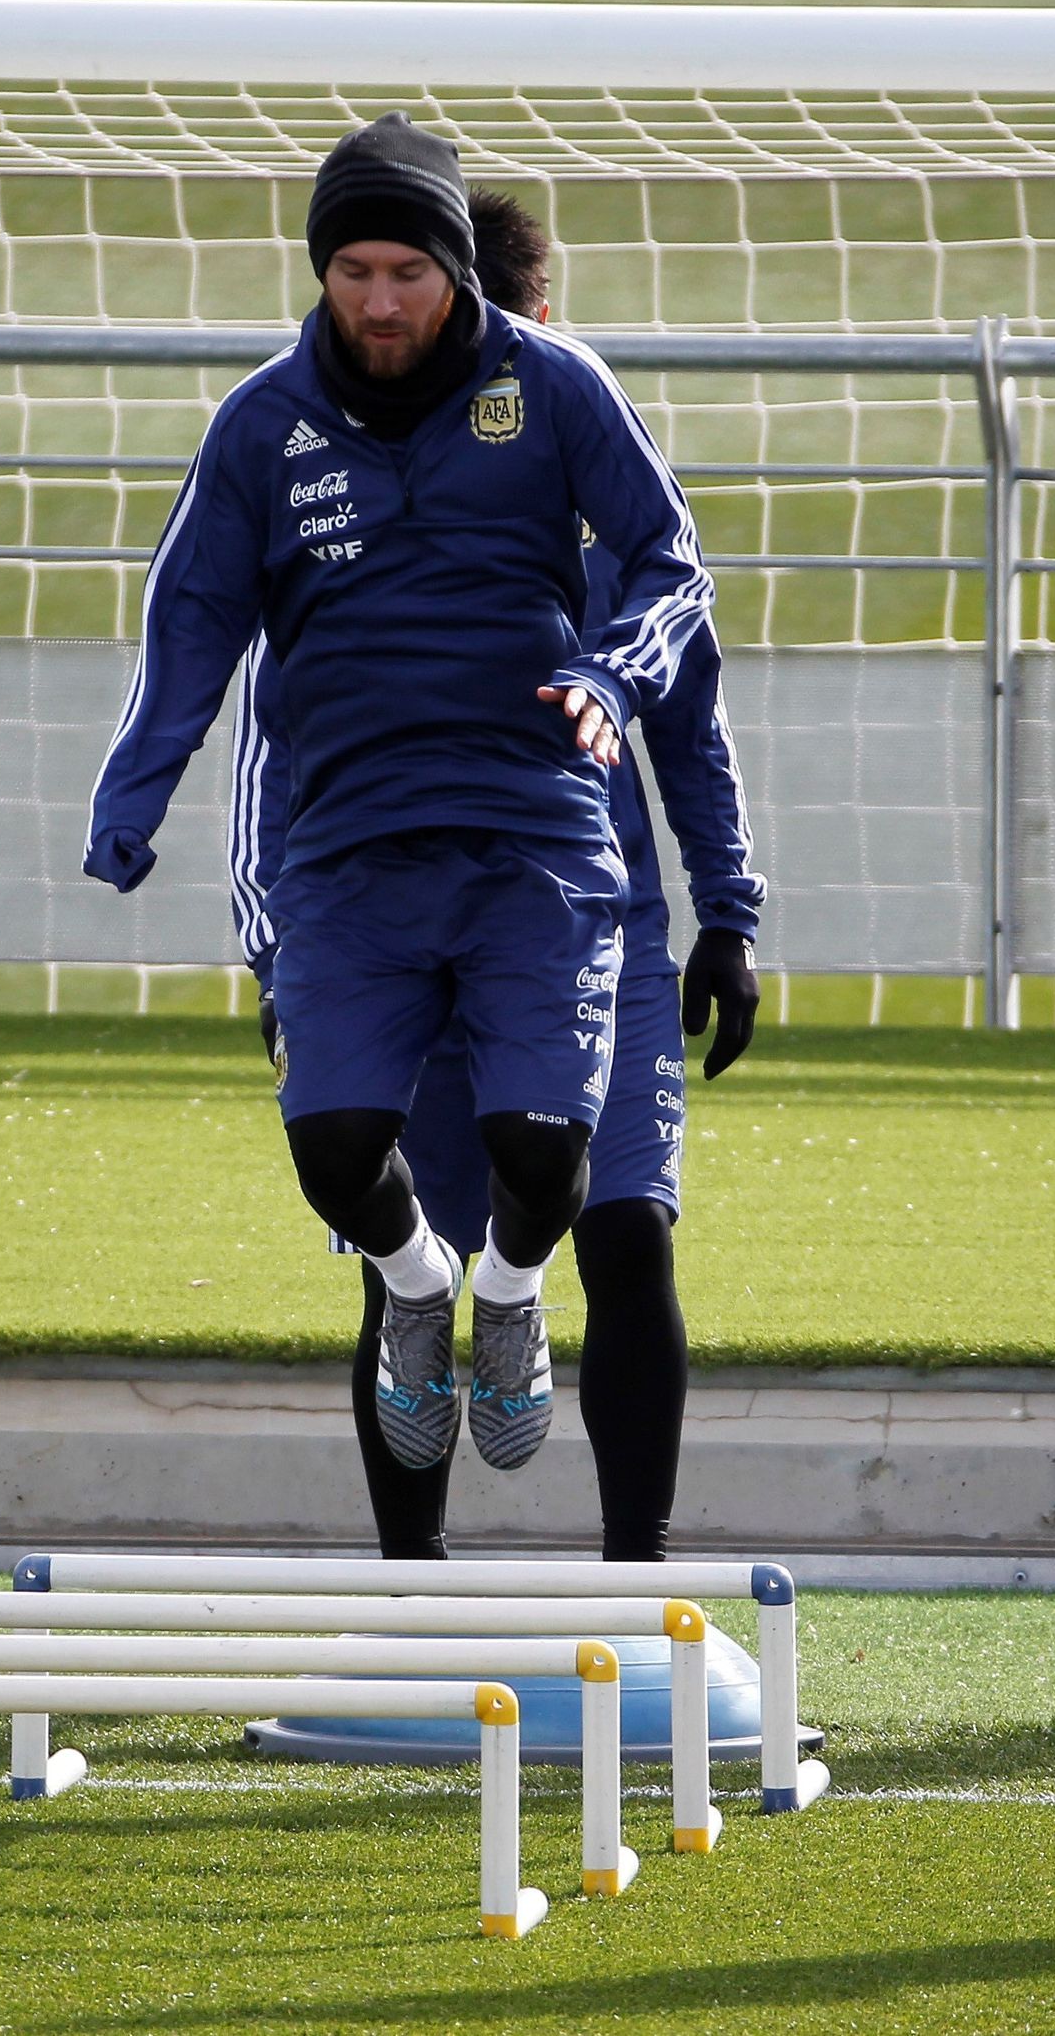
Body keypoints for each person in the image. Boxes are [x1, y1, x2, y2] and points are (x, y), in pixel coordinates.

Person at [87, 112, 718, 1481]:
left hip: (541, 849)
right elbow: (196, 617)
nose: (381, 299)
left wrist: (622, 701)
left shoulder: (554, 389)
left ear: (458, 277)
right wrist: (131, 799)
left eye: (409, 273)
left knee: (565, 1171)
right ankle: (429, 1293)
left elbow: (679, 579)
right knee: (333, 1157)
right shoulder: (263, 425)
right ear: (323, 271)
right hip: (356, 862)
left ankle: (510, 1308)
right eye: (354, 270)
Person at [227, 187, 764, 1559]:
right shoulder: (342, 522)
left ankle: (636, 1579)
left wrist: (728, 919)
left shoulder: (621, 518)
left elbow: (692, 730)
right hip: (393, 913)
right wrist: (275, 945)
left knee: (625, 1230)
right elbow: (268, 735)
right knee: (399, 1259)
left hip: (594, 929)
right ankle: (414, 1586)